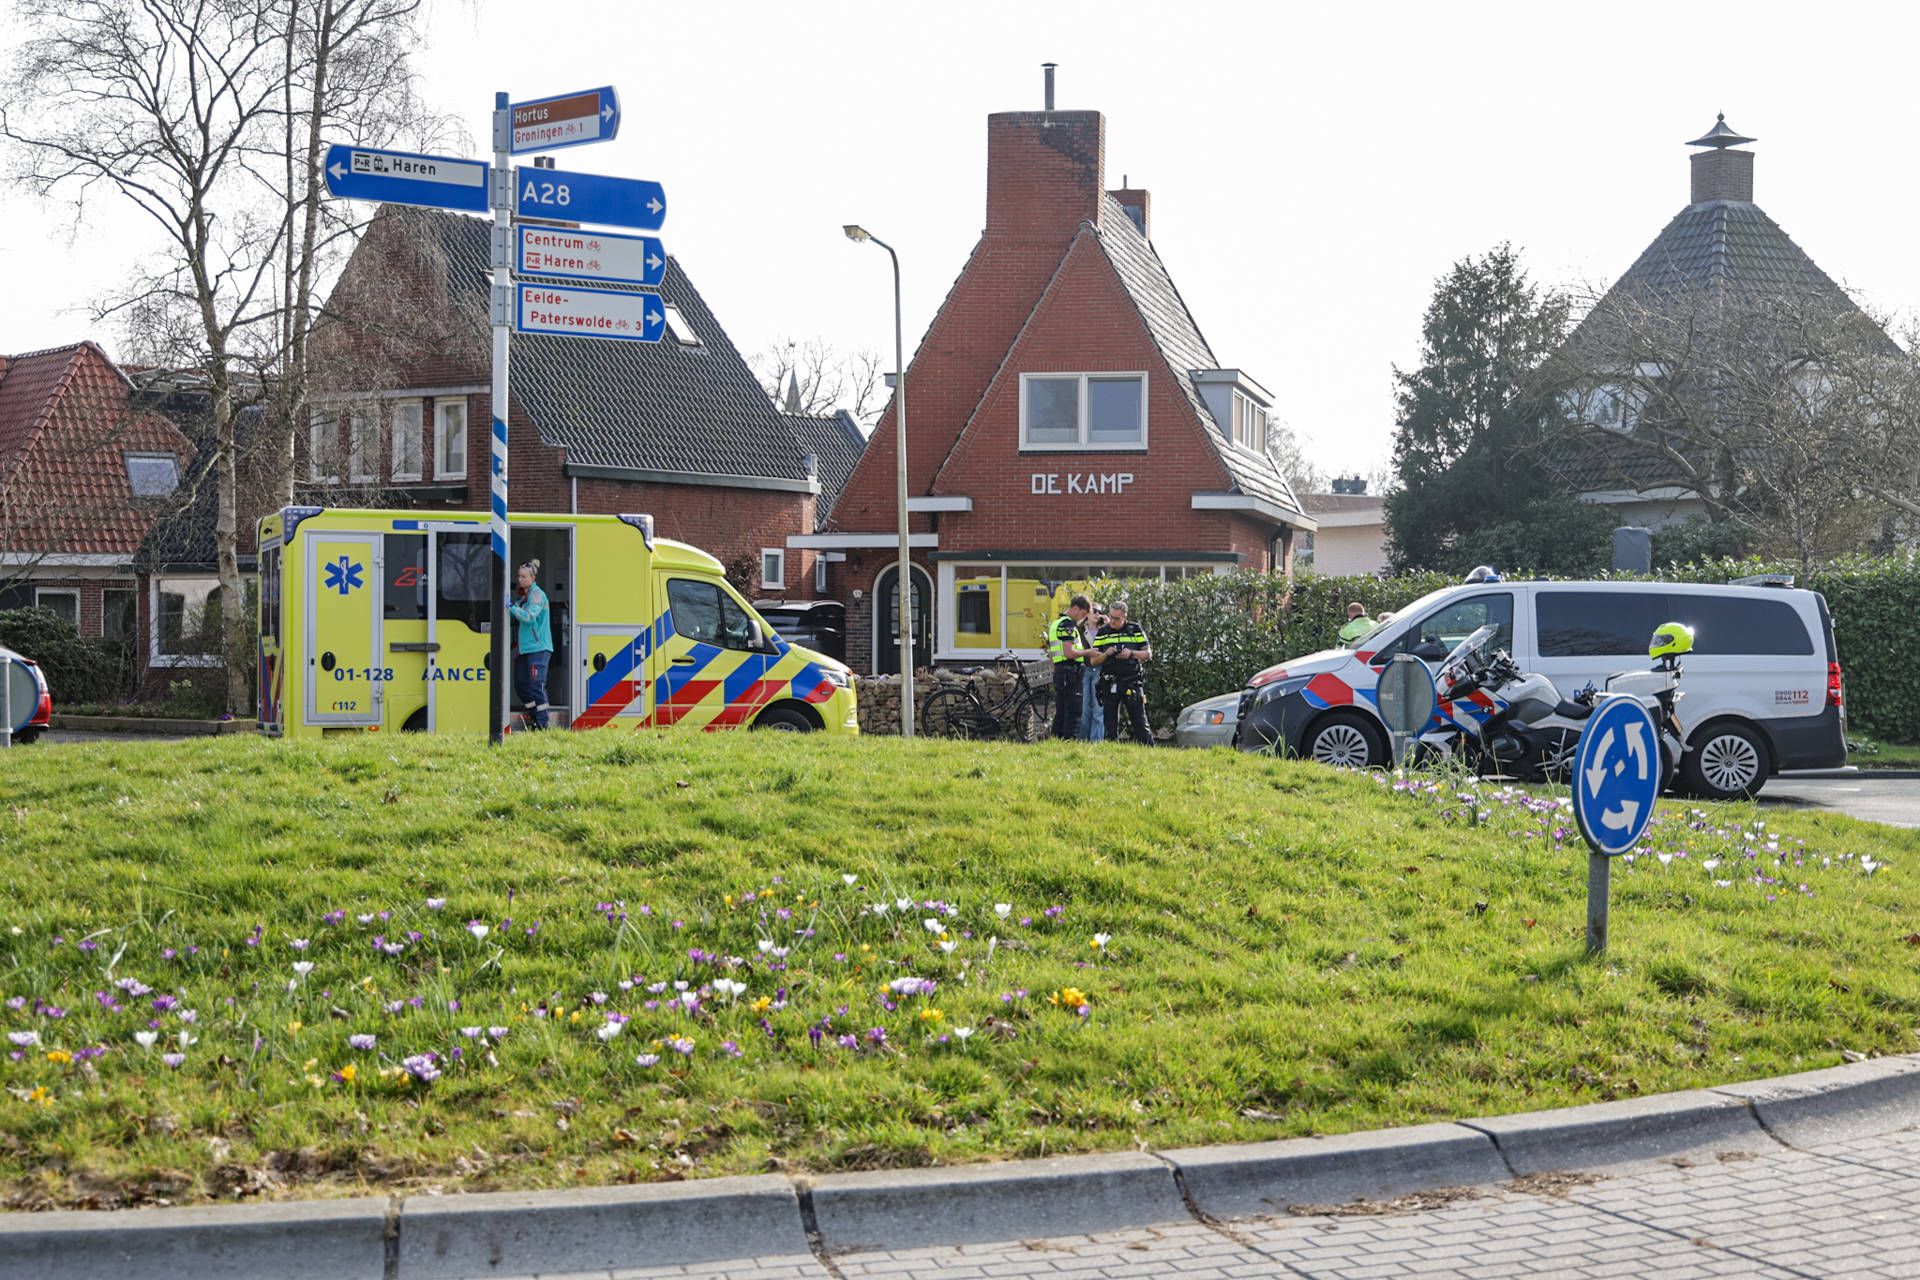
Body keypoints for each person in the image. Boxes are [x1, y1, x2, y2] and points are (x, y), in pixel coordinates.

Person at [1091, 599, 1153, 746]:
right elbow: (1093, 661)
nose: (1112, 621)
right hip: (1110, 681)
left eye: (1116, 618)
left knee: (1139, 721)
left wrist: (1131, 654)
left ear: (1124, 617)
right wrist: (1106, 654)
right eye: (1111, 617)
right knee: (1110, 723)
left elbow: (1148, 654)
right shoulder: (1103, 632)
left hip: (1131, 680)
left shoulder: (1135, 629)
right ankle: (1112, 753)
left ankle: (1149, 751)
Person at [509, 559, 553, 730]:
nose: (520, 579)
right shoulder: (524, 597)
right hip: (525, 649)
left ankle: (543, 724)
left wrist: (512, 608)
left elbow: (529, 617)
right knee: (521, 685)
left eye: (523, 576)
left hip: (539, 648)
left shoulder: (537, 595)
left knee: (536, 685)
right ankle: (535, 715)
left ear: (533, 578)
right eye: (519, 576)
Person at [1045, 594, 1094, 739]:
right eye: (1083, 614)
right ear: (1075, 608)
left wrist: (1057, 672)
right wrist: (1089, 652)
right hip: (1070, 673)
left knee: (1061, 711)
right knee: (1073, 712)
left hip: (1061, 673)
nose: (1082, 618)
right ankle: (1069, 743)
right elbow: (1068, 652)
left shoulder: (1056, 623)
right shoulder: (1068, 626)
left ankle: (1057, 742)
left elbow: (1052, 654)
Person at [1077, 601, 1107, 742]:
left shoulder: (1105, 630)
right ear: (1087, 613)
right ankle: (1083, 740)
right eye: (1094, 611)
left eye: (1100, 612)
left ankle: (1096, 741)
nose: (1097, 614)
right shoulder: (1080, 629)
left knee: (1098, 708)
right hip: (1086, 669)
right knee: (1084, 707)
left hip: (1100, 670)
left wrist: (1107, 624)